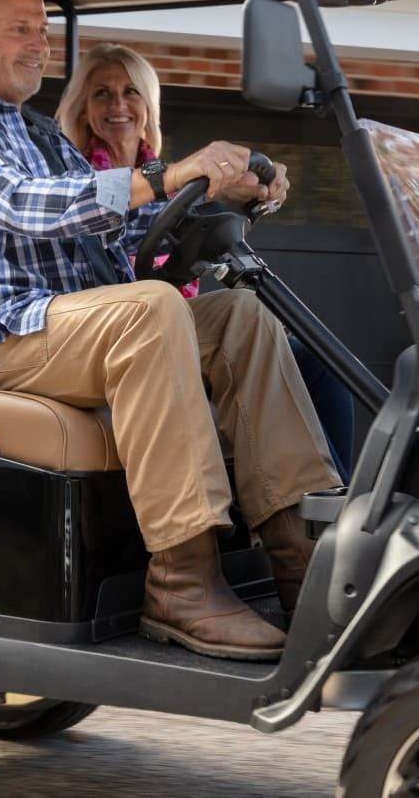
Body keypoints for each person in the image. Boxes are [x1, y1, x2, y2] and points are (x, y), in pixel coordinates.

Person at [0, 0, 339, 662]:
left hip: (52, 330)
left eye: (42, 30)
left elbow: (120, 240)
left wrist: (231, 195)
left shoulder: (40, 136)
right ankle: (181, 582)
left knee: (238, 318)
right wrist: (167, 173)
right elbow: (21, 204)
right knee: (148, 311)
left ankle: (302, 558)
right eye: (20, 29)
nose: (39, 43)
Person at [54, 42, 356, 476]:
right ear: (83, 109)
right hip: (115, 334)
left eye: (131, 92)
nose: (118, 104)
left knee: (318, 361)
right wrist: (191, 187)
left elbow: (181, 219)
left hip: (171, 322)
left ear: (148, 106)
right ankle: (310, 507)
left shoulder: (161, 173)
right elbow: (123, 223)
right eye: (102, 93)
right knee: (263, 346)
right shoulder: (77, 181)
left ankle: (336, 502)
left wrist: (248, 193)